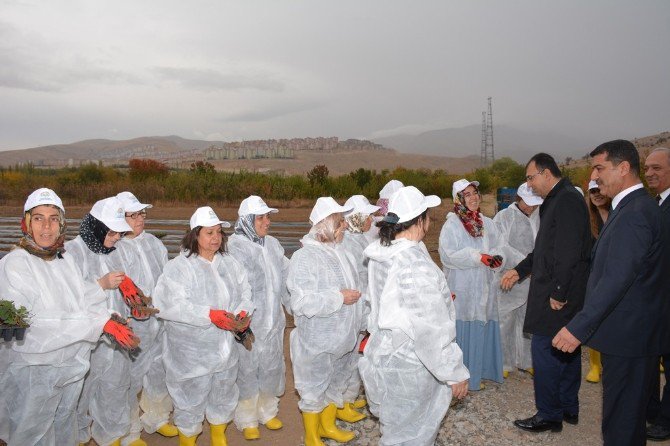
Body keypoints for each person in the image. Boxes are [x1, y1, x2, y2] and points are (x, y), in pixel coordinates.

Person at [552, 140, 670, 445]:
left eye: (599, 167)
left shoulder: (635, 213)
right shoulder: (631, 207)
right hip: (631, 336)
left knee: (621, 425)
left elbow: (618, 278)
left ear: (624, 168)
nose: (594, 175)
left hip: (629, 338)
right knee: (627, 420)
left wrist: (577, 328)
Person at [0, 188, 138, 446]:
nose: (46, 227)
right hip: (35, 370)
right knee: (32, 433)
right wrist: (99, 324)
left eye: (53, 218)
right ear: (26, 222)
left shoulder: (62, 261)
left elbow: (80, 299)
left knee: (65, 426)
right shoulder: (16, 264)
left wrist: (110, 317)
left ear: (62, 223)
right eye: (38, 218)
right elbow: (31, 325)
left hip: (71, 366)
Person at [359, 185, 469, 445]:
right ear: (419, 221)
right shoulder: (413, 264)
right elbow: (429, 329)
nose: (430, 221)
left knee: (397, 431)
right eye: (428, 216)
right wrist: (453, 371)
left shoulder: (385, 252)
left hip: (387, 355)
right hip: (411, 363)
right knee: (412, 435)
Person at [501, 153, 591, 433]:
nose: (528, 185)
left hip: (556, 291)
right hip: (558, 287)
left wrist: (559, 292)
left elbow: (567, 251)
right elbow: (544, 249)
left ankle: (549, 414)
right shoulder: (559, 199)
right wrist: (519, 269)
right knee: (565, 348)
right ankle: (567, 407)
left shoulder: (565, 200)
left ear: (546, 173)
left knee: (545, 349)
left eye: (531, 177)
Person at [152, 206, 254, 446]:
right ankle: (188, 440)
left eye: (219, 232)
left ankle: (219, 438)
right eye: (209, 233)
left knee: (224, 393)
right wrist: (209, 314)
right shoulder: (180, 267)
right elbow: (168, 305)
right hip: (190, 354)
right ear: (195, 235)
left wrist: (242, 310)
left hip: (225, 350)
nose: (216, 238)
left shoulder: (229, 263)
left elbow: (245, 289)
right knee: (189, 401)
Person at [286, 197, 364, 446]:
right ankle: (311, 437)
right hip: (317, 339)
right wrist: (338, 298)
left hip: (344, 337)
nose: (344, 228)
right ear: (325, 225)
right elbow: (301, 302)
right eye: (340, 223)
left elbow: (357, 290)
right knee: (313, 388)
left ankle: (328, 426)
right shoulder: (305, 257)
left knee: (335, 383)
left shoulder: (342, 253)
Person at [67, 196, 139, 446]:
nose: (118, 237)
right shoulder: (71, 253)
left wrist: (126, 312)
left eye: (120, 232)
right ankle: (76, 439)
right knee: (79, 394)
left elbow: (116, 299)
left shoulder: (112, 251)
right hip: (83, 341)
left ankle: (112, 440)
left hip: (114, 336)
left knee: (115, 388)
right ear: (96, 226)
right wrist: (101, 285)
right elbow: (67, 300)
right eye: (112, 232)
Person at [111, 191, 178, 444]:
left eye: (142, 213)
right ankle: (128, 431)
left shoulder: (153, 243)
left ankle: (157, 417)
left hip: (157, 322)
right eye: (134, 214)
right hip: (131, 325)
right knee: (128, 377)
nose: (140, 218)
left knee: (158, 369)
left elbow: (166, 280)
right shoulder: (114, 249)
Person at [227, 196, 289, 440]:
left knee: (272, 366)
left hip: (273, 320)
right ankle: (247, 418)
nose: (267, 222)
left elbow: (285, 275)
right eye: (261, 218)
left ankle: (267, 410)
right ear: (247, 221)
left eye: (268, 217)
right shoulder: (235, 247)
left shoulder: (272, 245)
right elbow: (233, 287)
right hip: (249, 323)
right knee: (247, 369)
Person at [439, 178, 504, 391]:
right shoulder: (453, 224)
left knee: (483, 322)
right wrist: (477, 257)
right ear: (458, 199)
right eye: (467, 194)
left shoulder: (486, 222)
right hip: (463, 287)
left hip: (484, 285)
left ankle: (481, 371)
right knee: (464, 326)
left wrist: (497, 258)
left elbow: (499, 244)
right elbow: (448, 255)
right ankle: (463, 377)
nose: (473, 197)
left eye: (475, 192)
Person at [493, 183, 542, 378]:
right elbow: (500, 245)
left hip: (535, 277)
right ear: (519, 200)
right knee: (506, 319)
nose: (532, 207)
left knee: (528, 320)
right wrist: (524, 264)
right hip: (510, 276)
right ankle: (504, 362)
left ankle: (527, 361)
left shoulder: (540, 215)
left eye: (535, 203)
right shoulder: (504, 217)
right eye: (528, 203)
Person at [339, 194, 381, 417]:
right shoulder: (347, 243)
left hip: (363, 304)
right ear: (355, 218)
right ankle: (342, 402)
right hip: (353, 306)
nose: (371, 221)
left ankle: (349, 396)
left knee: (356, 353)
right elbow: (353, 281)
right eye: (367, 216)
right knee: (347, 355)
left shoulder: (360, 239)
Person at [644, 147, 670, 441]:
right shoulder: (656, 204)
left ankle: (665, 419)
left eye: (658, 168)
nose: (650, 173)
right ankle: (653, 410)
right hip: (655, 302)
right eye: (648, 168)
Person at [583, 180, 611, 384]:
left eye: (599, 190)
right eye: (592, 191)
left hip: (616, 275)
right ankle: (594, 365)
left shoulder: (619, 213)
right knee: (594, 320)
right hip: (593, 277)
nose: (597, 194)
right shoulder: (587, 219)